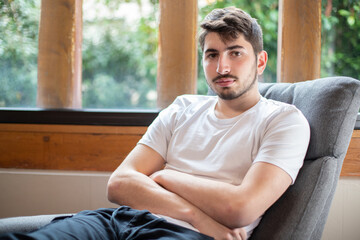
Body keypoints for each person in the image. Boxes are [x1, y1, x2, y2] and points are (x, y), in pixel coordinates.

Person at [0, 7, 310, 240]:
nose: (222, 66)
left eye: (235, 53)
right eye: (211, 54)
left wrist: (163, 176)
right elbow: (119, 184)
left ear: (260, 60)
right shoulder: (182, 108)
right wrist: (198, 216)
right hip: (117, 220)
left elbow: (240, 208)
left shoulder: (283, 121)